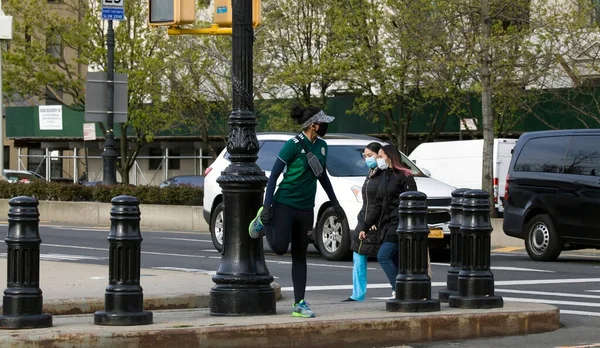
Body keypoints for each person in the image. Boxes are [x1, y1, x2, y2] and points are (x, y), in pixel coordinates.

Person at [249, 105, 347, 318]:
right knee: (279, 248)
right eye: (323, 123)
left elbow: (322, 177)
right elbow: (274, 176)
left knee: (300, 256)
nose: (326, 126)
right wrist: (267, 207)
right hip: (284, 203)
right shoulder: (291, 145)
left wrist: (335, 203)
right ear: (313, 124)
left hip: (306, 208)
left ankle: (299, 303)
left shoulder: (322, 146)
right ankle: (263, 221)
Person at [356, 144, 417, 294]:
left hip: (400, 223)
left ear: (389, 157)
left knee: (383, 255)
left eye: (381, 157)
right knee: (394, 259)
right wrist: (365, 226)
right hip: (386, 224)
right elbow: (377, 205)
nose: (378, 160)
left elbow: (413, 200)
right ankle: (403, 288)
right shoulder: (383, 177)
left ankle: (399, 289)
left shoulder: (405, 176)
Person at [342, 142, 384, 302]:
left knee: (385, 256)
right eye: (365, 156)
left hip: (374, 220)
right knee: (358, 253)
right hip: (364, 219)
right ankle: (357, 294)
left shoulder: (384, 175)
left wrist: (375, 219)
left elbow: (382, 201)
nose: (367, 159)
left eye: (370, 155)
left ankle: (397, 288)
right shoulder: (371, 173)